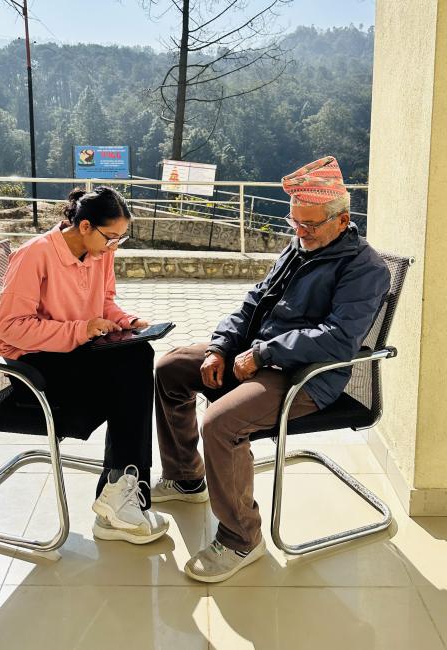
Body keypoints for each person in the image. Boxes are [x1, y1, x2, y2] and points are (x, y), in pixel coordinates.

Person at [152, 156, 391, 582]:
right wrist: (222, 346)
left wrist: (264, 353)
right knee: (172, 368)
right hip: (258, 354)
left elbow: (338, 338)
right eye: (293, 222)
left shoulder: (365, 268)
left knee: (221, 423)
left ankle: (243, 538)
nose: (299, 232)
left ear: (342, 220)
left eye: (310, 225)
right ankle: (186, 478)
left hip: (306, 375)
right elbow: (252, 300)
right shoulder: (299, 246)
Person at [0, 185, 168, 545]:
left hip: (74, 354)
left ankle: (119, 490)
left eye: (120, 239)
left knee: (138, 354)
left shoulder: (100, 253)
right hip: (32, 366)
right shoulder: (34, 256)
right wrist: (80, 330)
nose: (114, 247)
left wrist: (128, 321)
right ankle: (119, 493)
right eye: (111, 237)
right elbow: (11, 328)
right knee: (132, 379)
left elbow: (104, 303)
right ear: (85, 226)